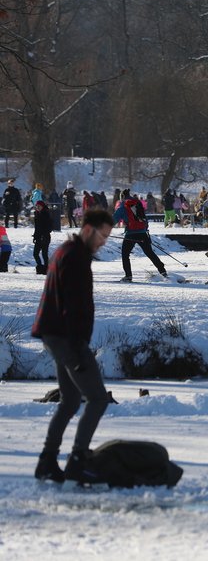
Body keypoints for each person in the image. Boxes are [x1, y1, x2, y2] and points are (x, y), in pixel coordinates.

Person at [31, 208, 115, 486]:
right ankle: (78, 460)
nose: (104, 241)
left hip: (56, 335)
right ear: (89, 230)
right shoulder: (75, 257)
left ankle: (46, 461)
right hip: (66, 338)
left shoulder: (67, 250)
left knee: (69, 401)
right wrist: (78, 351)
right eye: (103, 236)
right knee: (98, 399)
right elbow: (72, 306)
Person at [113, 191, 166, 282]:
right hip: (142, 233)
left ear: (122, 197)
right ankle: (163, 272)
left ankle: (128, 276)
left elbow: (113, 220)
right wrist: (144, 229)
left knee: (125, 254)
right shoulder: (137, 203)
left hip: (131, 234)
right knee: (150, 253)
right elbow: (144, 218)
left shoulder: (122, 206)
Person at [33, 200, 53, 274]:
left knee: (44, 253)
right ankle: (40, 267)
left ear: (42, 206)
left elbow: (50, 227)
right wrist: (35, 236)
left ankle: (46, 268)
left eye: (39, 206)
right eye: (37, 206)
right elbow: (37, 227)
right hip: (38, 237)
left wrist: (44, 235)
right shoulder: (37, 214)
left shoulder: (46, 214)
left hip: (45, 237)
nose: (37, 207)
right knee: (35, 254)